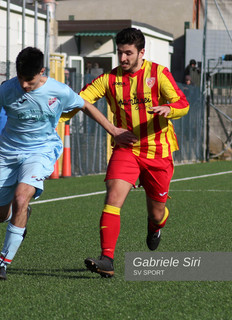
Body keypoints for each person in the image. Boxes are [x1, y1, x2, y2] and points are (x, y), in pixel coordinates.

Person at [0, 47, 132, 281]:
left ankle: (2, 263)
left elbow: (85, 105)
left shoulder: (58, 90)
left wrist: (114, 130)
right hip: (8, 154)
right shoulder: (6, 90)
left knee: (21, 197)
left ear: (41, 72)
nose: (24, 85)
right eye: (20, 78)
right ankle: (22, 216)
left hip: (41, 152)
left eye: (30, 80)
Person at [79, 28, 189, 278]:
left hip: (158, 151)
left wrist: (168, 109)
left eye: (128, 53)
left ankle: (155, 226)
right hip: (126, 148)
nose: (123, 58)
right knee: (113, 197)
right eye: (120, 53)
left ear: (141, 52)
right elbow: (81, 100)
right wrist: (111, 128)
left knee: (156, 212)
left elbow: (183, 103)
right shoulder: (108, 79)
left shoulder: (159, 73)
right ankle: (107, 259)